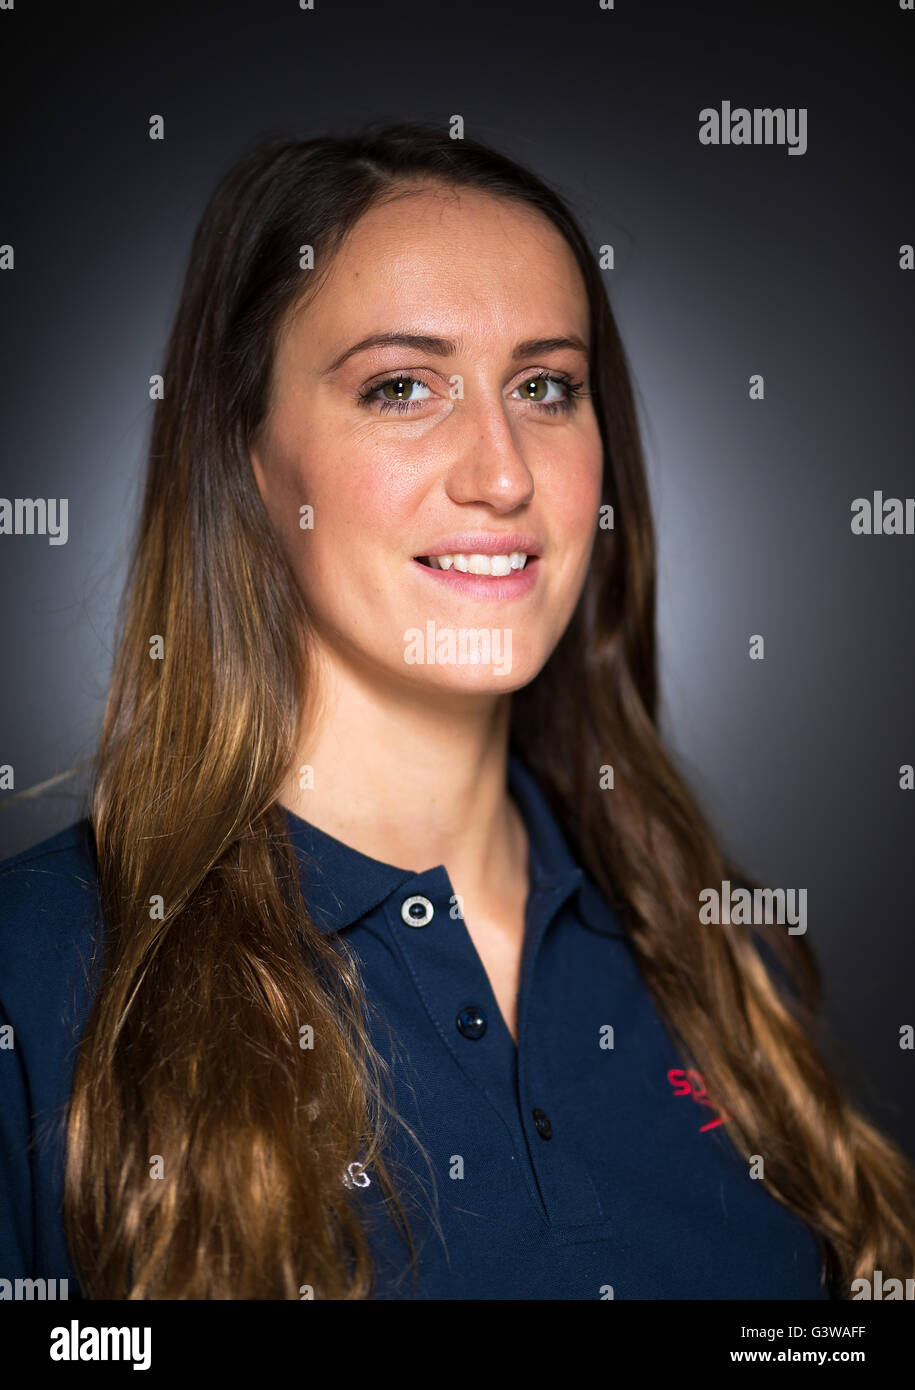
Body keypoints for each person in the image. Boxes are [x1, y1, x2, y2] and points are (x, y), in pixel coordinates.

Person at [1, 120, 913, 1301]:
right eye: (401, 387)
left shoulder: (724, 963)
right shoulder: (36, 980)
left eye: (545, 386)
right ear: (247, 458)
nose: (502, 473)